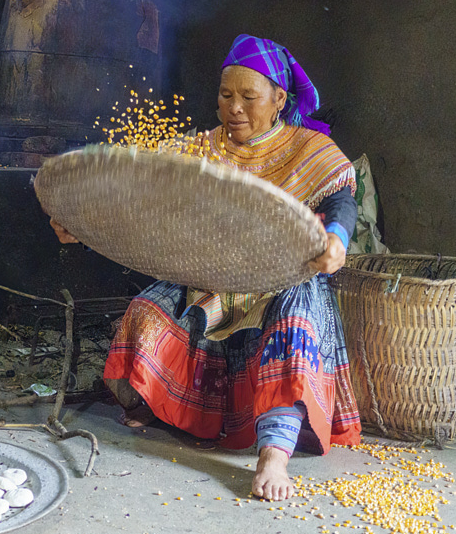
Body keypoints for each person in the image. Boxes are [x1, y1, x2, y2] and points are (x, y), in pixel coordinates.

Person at [51, 34, 361, 502]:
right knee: (143, 313)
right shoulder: (199, 150)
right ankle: (163, 408)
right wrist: (82, 222)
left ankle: (272, 455)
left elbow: (341, 202)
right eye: (225, 95)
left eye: (248, 98)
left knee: (294, 324)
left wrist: (335, 240)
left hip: (280, 282)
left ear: (279, 99)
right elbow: (138, 202)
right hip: (210, 278)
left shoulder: (309, 150)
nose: (233, 108)